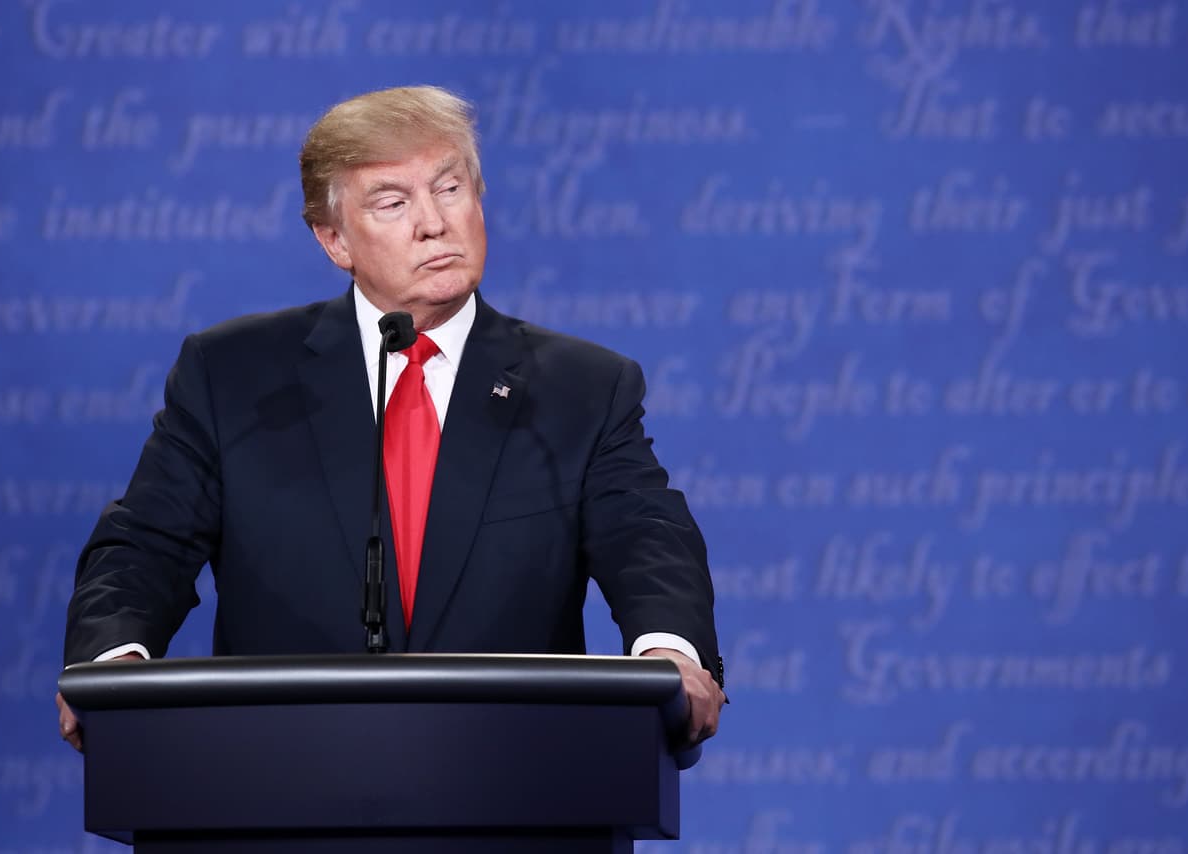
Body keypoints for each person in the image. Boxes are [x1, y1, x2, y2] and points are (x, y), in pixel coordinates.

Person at [57, 85, 724, 752]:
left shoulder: (582, 388)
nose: (433, 223)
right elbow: (145, 546)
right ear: (333, 239)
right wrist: (114, 660)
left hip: (513, 775)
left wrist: (670, 649)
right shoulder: (232, 375)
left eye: (449, 189)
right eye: (392, 203)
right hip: (275, 774)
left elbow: (647, 535)